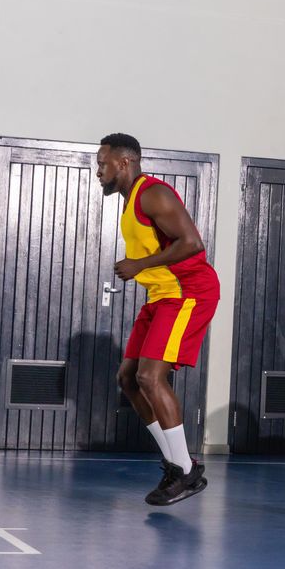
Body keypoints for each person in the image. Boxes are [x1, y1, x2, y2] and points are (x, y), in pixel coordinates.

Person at [96, 133, 219, 505]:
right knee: (129, 378)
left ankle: (185, 471)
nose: (98, 171)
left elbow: (193, 243)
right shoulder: (131, 199)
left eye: (103, 164)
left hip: (189, 291)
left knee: (150, 376)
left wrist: (139, 265)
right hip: (161, 295)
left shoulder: (153, 193)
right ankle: (176, 462)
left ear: (124, 163)